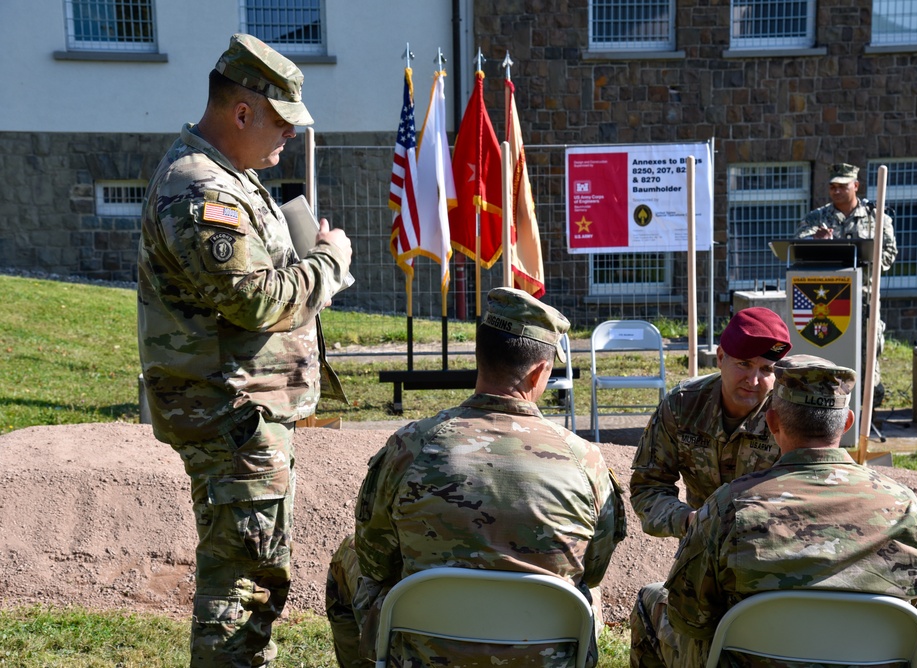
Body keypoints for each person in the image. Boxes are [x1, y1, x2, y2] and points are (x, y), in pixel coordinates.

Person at [137, 33, 353, 667]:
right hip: (231, 413)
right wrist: (329, 264)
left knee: (252, 576)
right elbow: (256, 300)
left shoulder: (230, 176)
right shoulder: (201, 189)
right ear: (242, 111)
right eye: (283, 124)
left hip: (242, 409)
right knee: (243, 585)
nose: (288, 137)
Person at [325, 287, 626, 668]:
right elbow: (594, 568)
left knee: (346, 558)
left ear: (479, 357)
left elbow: (375, 562)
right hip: (542, 655)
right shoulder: (587, 463)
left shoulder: (409, 447)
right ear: (539, 372)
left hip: (425, 652)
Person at [630, 355, 917, 668]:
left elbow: (690, 620)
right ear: (846, 423)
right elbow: (914, 605)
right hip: (865, 662)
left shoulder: (728, 509)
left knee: (651, 602)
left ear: (773, 422)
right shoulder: (907, 510)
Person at [629, 306, 791, 539]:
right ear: (721, 357)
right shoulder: (682, 404)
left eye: (766, 369)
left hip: (769, 549)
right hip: (700, 544)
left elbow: (810, 494)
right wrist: (688, 520)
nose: (753, 381)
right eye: (744, 364)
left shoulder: (787, 415)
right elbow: (648, 486)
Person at [796, 162, 898, 405]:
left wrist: (862, 261)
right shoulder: (818, 217)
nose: (836, 191)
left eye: (842, 186)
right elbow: (798, 245)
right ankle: (827, 407)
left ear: (856, 186)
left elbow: (889, 252)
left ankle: (867, 411)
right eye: (832, 186)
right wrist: (817, 241)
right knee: (830, 354)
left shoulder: (876, 218)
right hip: (829, 300)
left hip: (864, 299)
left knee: (867, 356)